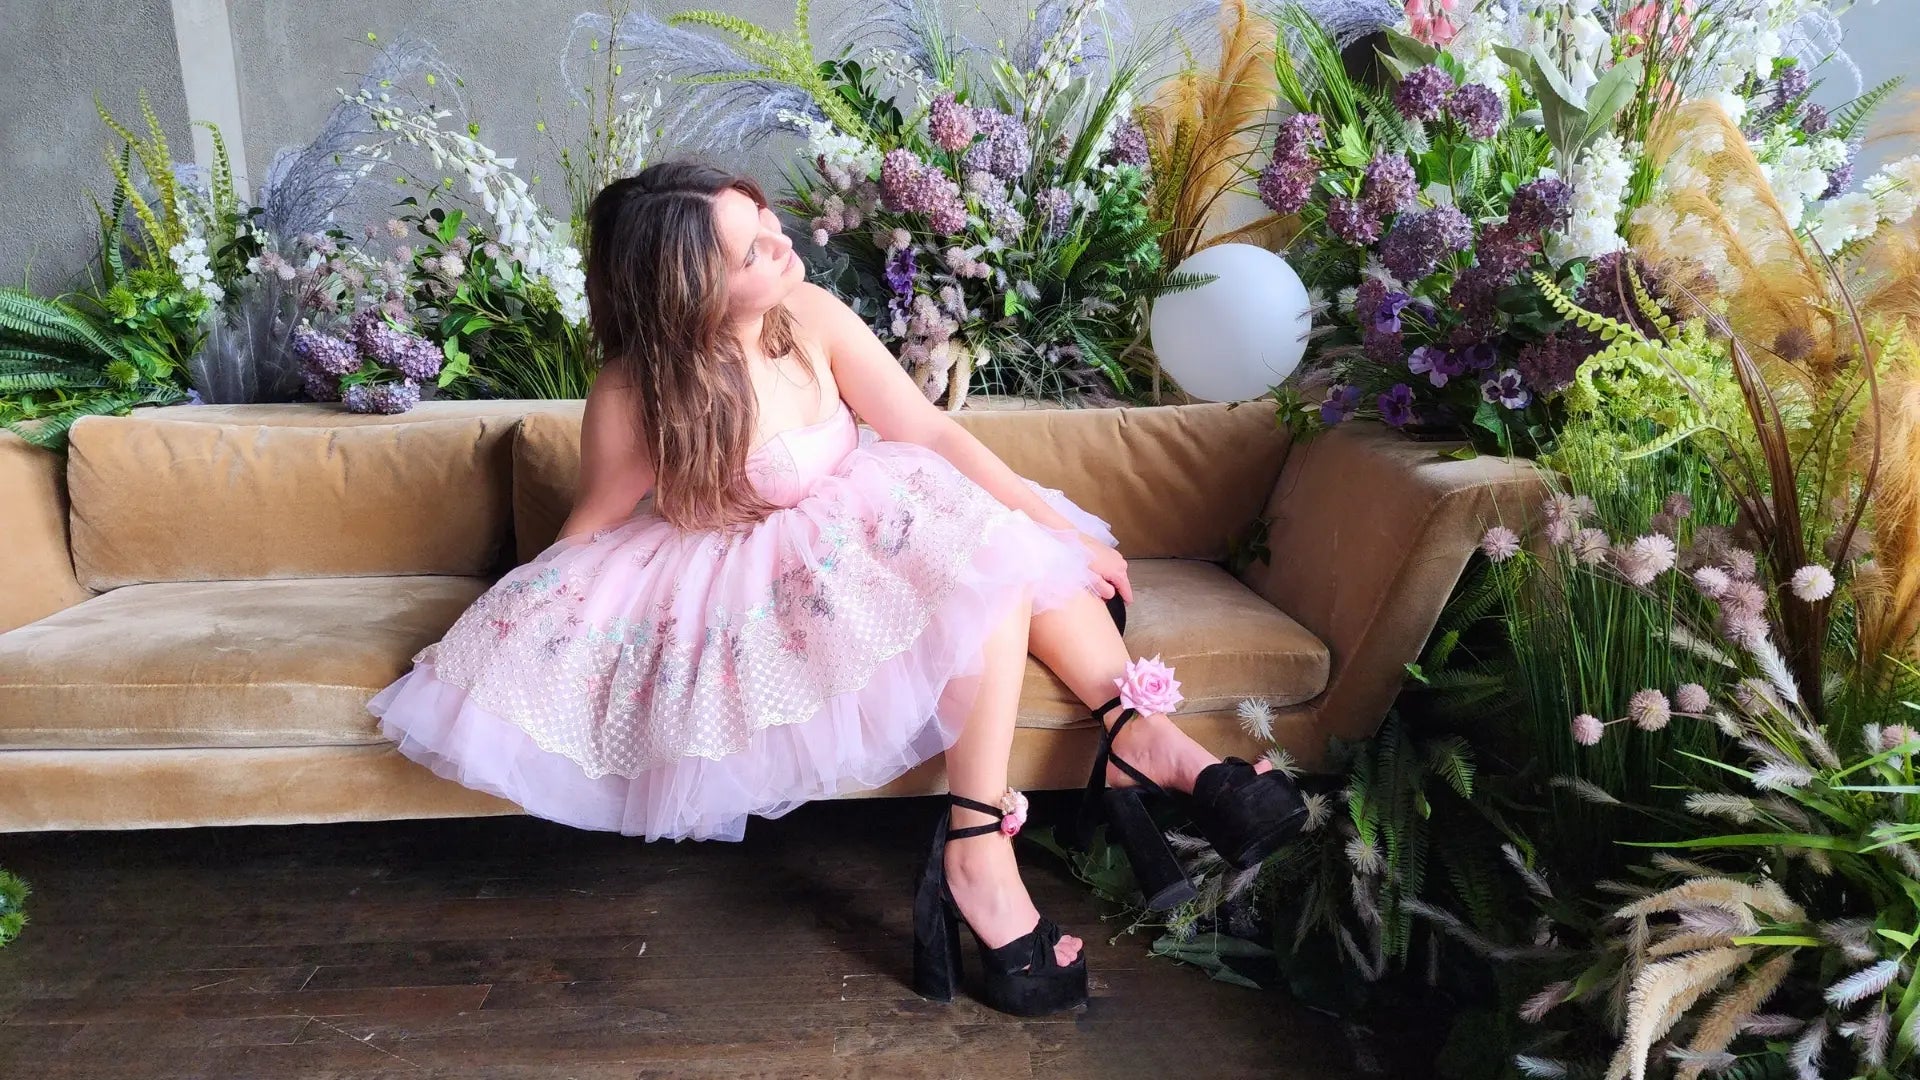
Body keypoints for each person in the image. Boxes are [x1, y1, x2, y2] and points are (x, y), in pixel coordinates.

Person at [368, 161, 1304, 1017]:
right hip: (754, 568)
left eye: (767, 219)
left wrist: (1049, 525)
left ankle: (1148, 739)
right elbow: (596, 522)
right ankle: (985, 853)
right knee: (967, 558)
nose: (783, 242)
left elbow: (927, 434)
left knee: (975, 525)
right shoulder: (639, 388)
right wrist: (515, 622)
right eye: (752, 249)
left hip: (871, 517)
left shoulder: (807, 315)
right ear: (690, 289)